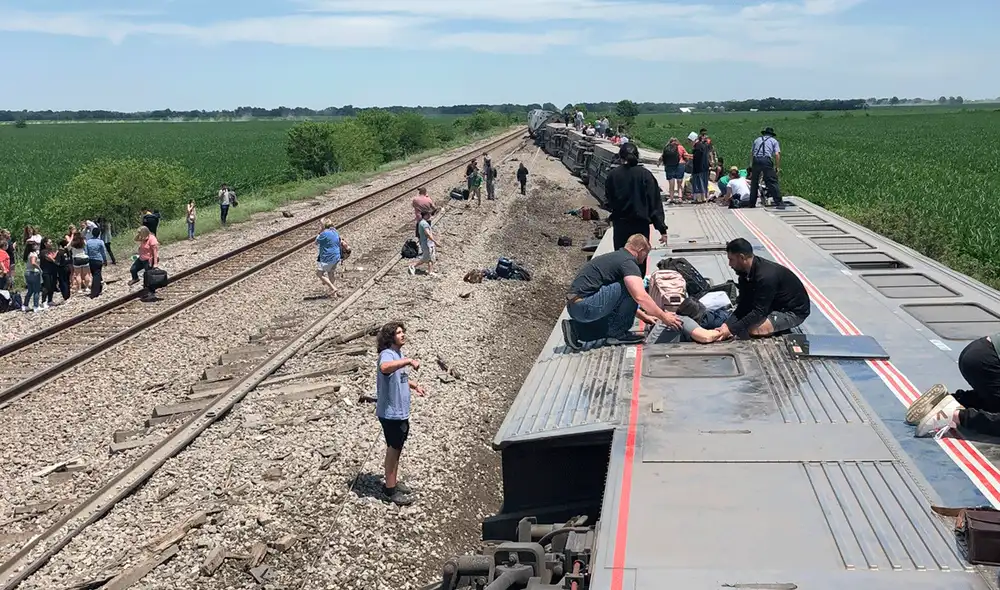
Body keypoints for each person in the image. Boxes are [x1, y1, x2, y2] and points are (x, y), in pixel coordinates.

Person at [561, 234, 684, 350]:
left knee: (617, 310)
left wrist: (644, 316)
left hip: (577, 306)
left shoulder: (617, 257)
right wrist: (663, 317)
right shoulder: (628, 262)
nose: (644, 259)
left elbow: (619, 299)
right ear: (641, 250)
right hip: (586, 306)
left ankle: (576, 330)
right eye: (646, 254)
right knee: (631, 287)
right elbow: (639, 296)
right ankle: (618, 334)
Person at [714, 238, 810, 340]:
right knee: (740, 323)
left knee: (752, 329)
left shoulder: (765, 276)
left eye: (731, 260)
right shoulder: (744, 273)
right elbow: (743, 305)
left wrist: (732, 330)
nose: (729, 264)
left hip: (793, 311)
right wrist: (727, 325)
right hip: (773, 305)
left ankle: (777, 327)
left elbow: (759, 311)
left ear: (741, 257)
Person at [375, 321, 426, 506]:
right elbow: (385, 368)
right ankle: (389, 490)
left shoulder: (398, 354)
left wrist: (415, 386)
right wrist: (408, 361)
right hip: (390, 413)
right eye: (398, 332)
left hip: (401, 412)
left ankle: (393, 482)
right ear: (390, 337)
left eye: (403, 331)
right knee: (393, 449)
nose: (403, 334)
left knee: (397, 448)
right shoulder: (387, 354)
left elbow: (400, 377)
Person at [908, 335, 1000, 438]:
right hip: (988, 361)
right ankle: (954, 415)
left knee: (993, 403)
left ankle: (952, 400)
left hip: (980, 349)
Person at [604, 143, 667, 274]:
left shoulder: (613, 175)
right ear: (637, 156)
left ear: (621, 157)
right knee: (639, 262)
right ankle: (637, 290)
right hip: (640, 226)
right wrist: (661, 228)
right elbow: (654, 203)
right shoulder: (645, 175)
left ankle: (623, 290)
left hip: (620, 224)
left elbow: (608, 201)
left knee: (621, 262)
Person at [749, 127, 783, 208]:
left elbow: (752, 152)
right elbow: (777, 154)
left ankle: (752, 203)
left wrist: (751, 165)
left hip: (756, 160)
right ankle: (779, 202)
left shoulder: (757, 140)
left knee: (754, 182)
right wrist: (777, 167)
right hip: (766, 160)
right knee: (772, 181)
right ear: (771, 135)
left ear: (764, 133)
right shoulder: (774, 141)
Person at [315, 217, 344, 297]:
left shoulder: (324, 234)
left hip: (327, 257)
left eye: (320, 224)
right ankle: (334, 294)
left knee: (319, 274)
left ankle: (333, 288)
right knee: (331, 273)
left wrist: (319, 233)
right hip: (336, 256)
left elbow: (316, 242)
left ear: (324, 225)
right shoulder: (335, 231)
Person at [129, 226, 160, 293]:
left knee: (148, 276)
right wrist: (138, 235)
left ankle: (151, 291)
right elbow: (135, 239)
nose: (139, 234)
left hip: (149, 260)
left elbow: (155, 253)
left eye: (140, 232)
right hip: (141, 258)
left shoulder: (152, 239)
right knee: (133, 269)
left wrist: (155, 264)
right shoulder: (143, 238)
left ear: (144, 232)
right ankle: (135, 278)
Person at [657, 137, 688, 202]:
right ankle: (680, 198)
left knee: (671, 184)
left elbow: (662, 156)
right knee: (679, 184)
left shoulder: (667, 148)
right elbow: (686, 155)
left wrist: (659, 163)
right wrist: (686, 162)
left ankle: (671, 198)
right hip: (680, 165)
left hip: (669, 166)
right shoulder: (680, 147)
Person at [408, 210, 438, 276]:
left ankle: (430, 271)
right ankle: (413, 265)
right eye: (428, 214)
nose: (430, 216)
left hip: (425, 242)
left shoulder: (421, 222)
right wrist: (435, 242)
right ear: (425, 215)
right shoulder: (425, 224)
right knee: (427, 258)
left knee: (429, 257)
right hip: (427, 243)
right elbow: (427, 234)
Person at [85, 227, 109, 298]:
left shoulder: (88, 242)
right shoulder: (100, 242)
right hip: (98, 260)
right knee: (97, 275)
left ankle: (99, 289)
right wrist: (105, 260)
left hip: (91, 260)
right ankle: (95, 292)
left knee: (95, 275)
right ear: (99, 234)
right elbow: (103, 252)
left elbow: (86, 252)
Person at [690, 133, 711, 203]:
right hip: (705, 167)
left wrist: (689, 157)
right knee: (703, 183)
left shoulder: (697, 147)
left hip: (698, 168)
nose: (690, 143)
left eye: (690, 141)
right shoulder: (703, 146)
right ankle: (703, 197)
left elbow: (697, 158)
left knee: (698, 183)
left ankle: (698, 199)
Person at [39, 238, 59, 308]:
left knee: (52, 285)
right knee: (47, 286)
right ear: (45, 244)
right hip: (46, 271)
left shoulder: (51, 250)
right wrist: (54, 259)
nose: (51, 243)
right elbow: (49, 258)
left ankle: (50, 300)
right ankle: (43, 301)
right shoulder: (43, 252)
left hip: (53, 271)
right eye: (49, 242)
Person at [23, 242, 42, 312]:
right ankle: (36, 306)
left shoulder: (28, 254)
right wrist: (39, 268)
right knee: (36, 291)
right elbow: (33, 262)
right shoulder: (33, 254)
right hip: (34, 273)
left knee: (30, 290)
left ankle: (25, 305)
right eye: (35, 245)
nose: (37, 246)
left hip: (27, 272)